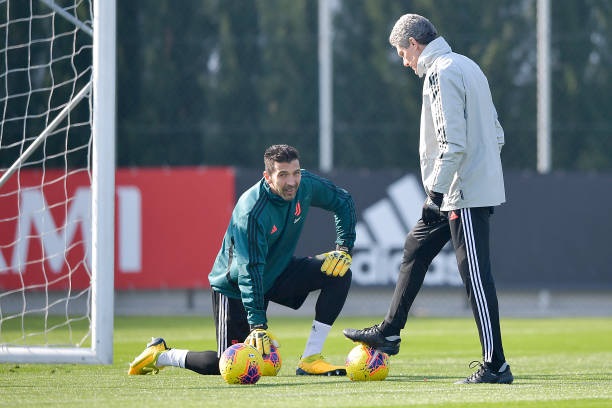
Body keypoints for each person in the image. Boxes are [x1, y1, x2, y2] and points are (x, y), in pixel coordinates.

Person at [343, 14, 513, 384]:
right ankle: (389, 331)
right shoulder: (469, 66)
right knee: (414, 249)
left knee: (476, 279)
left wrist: (437, 192)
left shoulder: (439, 72)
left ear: (415, 45)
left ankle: (496, 365)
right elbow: (497, 134)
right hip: (463, 187)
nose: (405, 62)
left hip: (457, 193)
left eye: (403, 53)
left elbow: (452, 143)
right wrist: (477, 174)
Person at [128, 144, 356, 377]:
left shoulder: (305, 185)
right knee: (229, 364)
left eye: (296, 173)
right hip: (236, 286)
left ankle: (310, 359)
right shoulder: (252, 211)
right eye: (283, 175)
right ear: (267, 177)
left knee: (339, 273)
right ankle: (161, 354)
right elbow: (250, 270)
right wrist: (258, 325)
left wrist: (344, 247)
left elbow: (343, 200)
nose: (292, 182)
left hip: (277, 272)